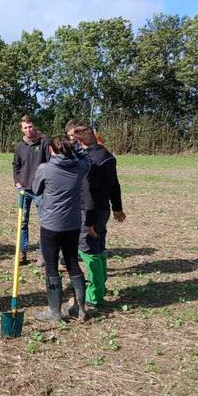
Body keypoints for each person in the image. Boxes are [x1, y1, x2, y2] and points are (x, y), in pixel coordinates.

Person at [32, 135, 91, 322]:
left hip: (50, 225)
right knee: (73, 262)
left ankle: (54, 312)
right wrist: (76, 149)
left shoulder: (45, 169)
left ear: (51, 150)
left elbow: (36, 189)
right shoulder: (80, 167)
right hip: (72, 224)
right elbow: (86, 158)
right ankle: (80, 309)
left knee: (51, 267)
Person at [70, 123, 126, 308]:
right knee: (99, 246)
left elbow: (89, 193)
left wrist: (90, 222)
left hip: (90, 212)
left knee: (89, 250)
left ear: (81, 139)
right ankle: (101, 286)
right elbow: (115, 184)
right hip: (104, 210)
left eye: (75, 138)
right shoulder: (107, 155)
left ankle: (93, 295)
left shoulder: (91, 161)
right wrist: (117, 207)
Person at [12, 115, 51, 265]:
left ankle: (43, 254)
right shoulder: (19, 146)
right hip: (23, 190)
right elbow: (15, 166)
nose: (28, 130)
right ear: (21, 129)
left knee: (44, 222)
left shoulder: (44, 142)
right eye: (25, 127)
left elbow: (50, 163)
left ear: (34, 126)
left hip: (40, 190)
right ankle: (22, 253)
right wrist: (17, 182)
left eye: (30, 126)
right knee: (23, 222)